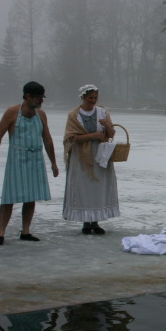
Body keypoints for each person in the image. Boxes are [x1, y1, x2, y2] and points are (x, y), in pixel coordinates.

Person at [0, 81, 59, 245]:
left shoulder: (41, 115)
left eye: (42, 98)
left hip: (35, 159)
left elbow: (47, 139)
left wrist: (53, 162)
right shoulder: (12, 112)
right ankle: (1, 233)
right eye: (39, 98)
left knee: (31, 196)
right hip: (17, 159)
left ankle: (25, 231)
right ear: (28, 96)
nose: (41, 101)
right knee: (9, 197)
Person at [62, 84, 120, 235]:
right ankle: (85, 222)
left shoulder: (102, 112)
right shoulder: (74, 115)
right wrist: (92, 136)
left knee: (97, 187)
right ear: (83, 98)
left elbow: (111, 133)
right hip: (81, 155)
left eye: (95, 98)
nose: (93, 101)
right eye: (90, 98)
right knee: (83, 187)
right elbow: (71, 137)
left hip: (100, 154)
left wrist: (107, 125)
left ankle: (95, 221)